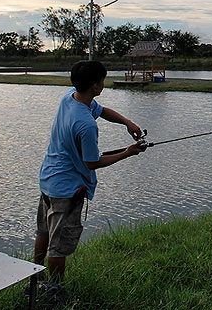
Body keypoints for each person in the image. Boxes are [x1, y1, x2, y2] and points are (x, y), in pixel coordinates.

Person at [34, 59, 146, 282]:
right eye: (103, 80)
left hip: (48, 180)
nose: (104, 83)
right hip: (65, 189)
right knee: (58, 247)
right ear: (95, 86)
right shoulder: (85, 124)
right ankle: (55, 290)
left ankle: (32, 279)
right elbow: (92, 164)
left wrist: (127, 123)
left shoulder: (70, 98)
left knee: (44, 233)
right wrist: (127, 152)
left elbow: (102, 110)